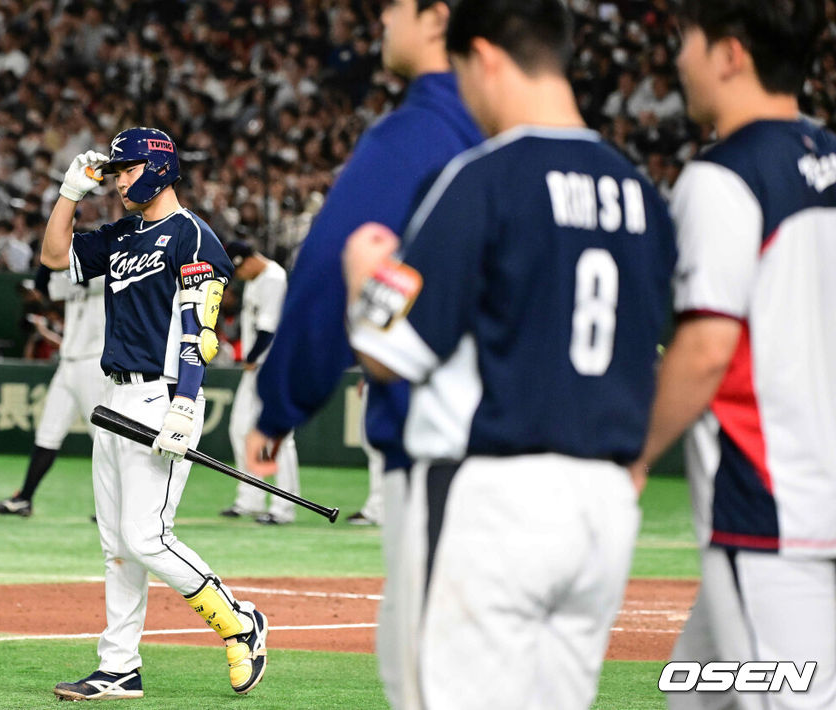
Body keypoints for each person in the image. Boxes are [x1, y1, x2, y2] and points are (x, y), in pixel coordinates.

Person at [342, 1, 676, 707]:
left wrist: (361, 278)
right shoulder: (640, 192)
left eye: (463, 72)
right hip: (606, 505)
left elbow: (386, 346)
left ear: (485, 56)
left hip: (494, 499)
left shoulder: (486, 175)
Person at [243, 2, 483, 699]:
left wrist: (280, 403)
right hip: (573, 473)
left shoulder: (419, 131)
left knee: (432, 687)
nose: (383, 15)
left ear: (437, 16)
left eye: (398, 4)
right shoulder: (569, 149)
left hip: (448, 458)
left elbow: (327, 276)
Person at [629, 2, 836, 708]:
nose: (679, 58)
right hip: (814, 500)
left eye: (687, 40)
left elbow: (706, 350)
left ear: (730, 54)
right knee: (696, 695)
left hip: (771, 513)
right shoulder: (831, 159)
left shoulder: (722, 177)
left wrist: (634, 452)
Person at [39, 127, 267, 702]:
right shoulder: (120, 234)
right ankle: (118, 666)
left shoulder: (192, 236)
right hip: (114, 397)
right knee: (117, 544)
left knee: (145, 537)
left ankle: (238, 622)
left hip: (161, 397)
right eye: (115, 172)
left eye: (128, 169)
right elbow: (51, 257)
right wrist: (70, 192)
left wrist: (186, 404)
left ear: (161, 167)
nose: (118, 181)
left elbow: (200, 330)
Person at [0, 266, 106, 517]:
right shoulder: (72, 276)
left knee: (105, 441)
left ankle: (115, 507)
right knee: (47, 434)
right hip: (68, 363)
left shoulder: (106, 271)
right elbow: (43, 286)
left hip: (94, 363)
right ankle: (24, 499)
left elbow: (86, 279)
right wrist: (51, 255)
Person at [219, 240, 300, 525]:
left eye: (238, 269)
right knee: (240, 429)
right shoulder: (256, 278)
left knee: (279, 439)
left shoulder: (274, 278)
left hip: (275, 366)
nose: (238, 277)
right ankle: (250, 499)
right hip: (256, 368)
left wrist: (250, 357)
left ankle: (284, 507)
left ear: (249, 260)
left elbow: (268, 329)